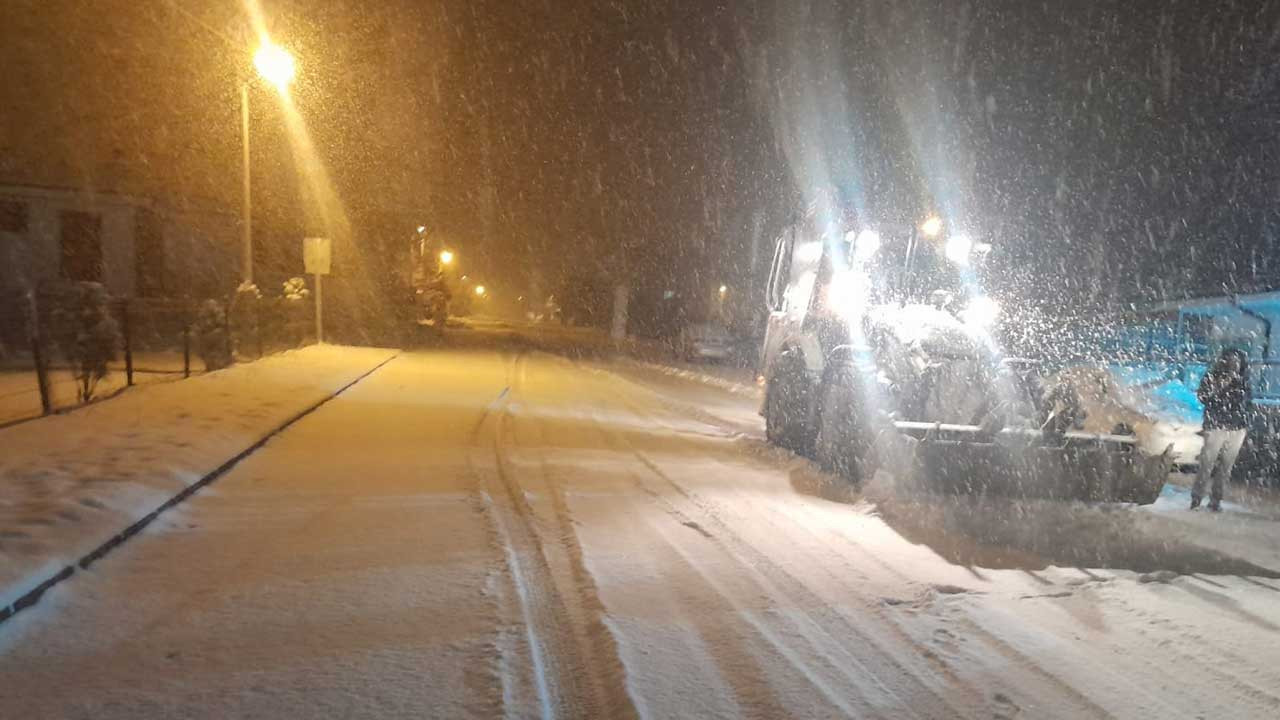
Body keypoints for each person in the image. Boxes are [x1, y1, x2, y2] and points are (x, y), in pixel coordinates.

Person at [1192, 348, 1253, 511]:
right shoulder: (1212, 377)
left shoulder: (1243, 380)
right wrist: (1220, 385)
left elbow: (1247, 403)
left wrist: (1245, 423)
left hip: (1236, 428)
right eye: (1232, 361)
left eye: (1237, 362)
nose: (1235, 365)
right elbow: (1203, 397)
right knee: (1207, 464)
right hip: (1216, 426)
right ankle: (1196, 499)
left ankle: (1215, 500)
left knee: (1226, 467)